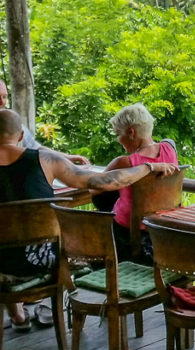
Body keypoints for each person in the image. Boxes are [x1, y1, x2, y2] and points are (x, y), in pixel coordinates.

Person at [0, 109, 178, 332]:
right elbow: (102, 181)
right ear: (19, 136)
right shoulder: (46, 159)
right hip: (42, 261)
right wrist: (148, 166)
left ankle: (17, 313)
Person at [100, 103, 179, 265]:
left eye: (118, 133)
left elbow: (93, 185)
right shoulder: (169, 148)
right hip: (162, 228)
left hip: (127, 234)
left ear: (131, 132)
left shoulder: (124, 162)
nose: (118, 140)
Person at [0, 79, 88, 164]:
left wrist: (66, 157)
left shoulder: (12, 122)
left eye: (4, 97)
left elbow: (36, 148)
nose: (2, 102)